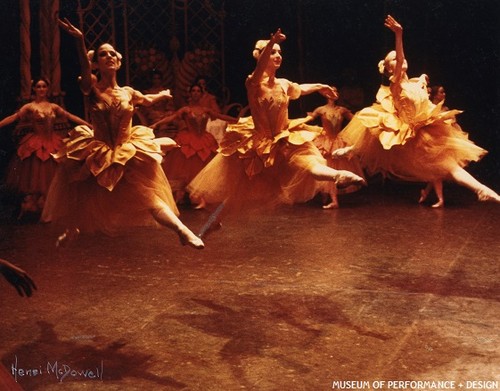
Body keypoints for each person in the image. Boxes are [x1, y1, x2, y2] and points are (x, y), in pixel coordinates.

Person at [41, 18, 204, 249]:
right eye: (102, 55)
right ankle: (71, 230)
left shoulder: (128, 92)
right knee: (85, 196)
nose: (108, 57)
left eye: (111, 54)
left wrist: (163, 94)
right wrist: (79, 42)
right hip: (99, 151)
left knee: (148, 196)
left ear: (118, 62)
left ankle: (183, 231)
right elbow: (86, 76)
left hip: (126, 151)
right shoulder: (93, 91)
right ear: (96, 64)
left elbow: (147, 100)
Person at [187, 28, 365, 231]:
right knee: (233, 198)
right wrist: (270, 43)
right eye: (272, 52)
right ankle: (206, 228)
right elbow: (259, 70)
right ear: (261, 55)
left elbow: (300, 88)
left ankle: (337, 175)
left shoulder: (283, 83)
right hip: (259, 147)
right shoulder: (252, 83)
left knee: (308, 163)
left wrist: (319, 85)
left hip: (284, 139)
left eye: (280, 52)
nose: (278, 55)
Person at [336, 15, 500, 206]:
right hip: (411, 135)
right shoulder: (395, 83)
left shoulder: (413, 82)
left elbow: (419, 91)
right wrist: (399, 34)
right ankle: (481, 190)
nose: (399, 60)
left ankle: (481, 190)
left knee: (448, 166)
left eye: (400, 58)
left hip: (425, 129)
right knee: (382, 130)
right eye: (394, 60)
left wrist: (422, 79)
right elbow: (401, 59)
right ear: (390, 69)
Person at [0, 77, 91, 217]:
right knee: (36, 175)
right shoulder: (30, 107)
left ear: (47, 89)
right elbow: (14, 117)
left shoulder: (53, 107)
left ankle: (49, 207)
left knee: (54, 174)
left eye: (43, 86)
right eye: (38, 86)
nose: (41, 89)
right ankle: (34, 207)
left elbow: (70, 116)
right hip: (36, 143)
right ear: (34, 89)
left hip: (52, 142)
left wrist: (87, 124)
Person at [152, 83, 238, 204]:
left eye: (198, 91)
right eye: (194, 91)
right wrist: (157, 124)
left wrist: (238, 120)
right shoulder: (186, 109)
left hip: (204, 139)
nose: (196, 93)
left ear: (201, 94)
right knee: (184, 167)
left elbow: (221, 116)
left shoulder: (206, 110)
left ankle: (200, 197)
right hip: (188, 139)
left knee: (205, 165)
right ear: (190, 93)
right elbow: (172, 118)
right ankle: (182, 196)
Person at [306, 86, 365, 208]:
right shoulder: (321, 110)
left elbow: (356, 121)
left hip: (337, 142)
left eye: (336, 91)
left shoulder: (342, 110)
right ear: (326, 95)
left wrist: (370, 120)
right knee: (325, 167)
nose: (334, 93)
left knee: (333, 167)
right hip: (325, 142)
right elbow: (308, 119)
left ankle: (334, 200)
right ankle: (326, 195)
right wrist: (292, 123)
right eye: (331, 91)